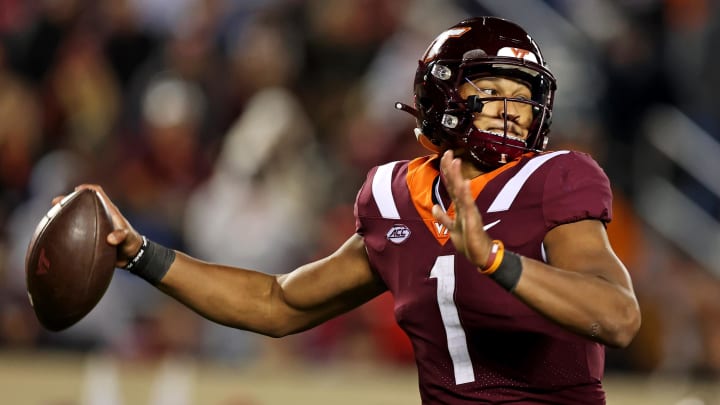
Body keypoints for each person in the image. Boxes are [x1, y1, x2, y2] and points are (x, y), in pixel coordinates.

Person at [66, 16, 641, 404]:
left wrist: (495, 260)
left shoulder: (556, 179)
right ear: (444, 98)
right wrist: (138, 252)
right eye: (492, 92)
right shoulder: (395, 197)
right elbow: (277, 304)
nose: (512, 111)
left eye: (523, 96)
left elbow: (617, 317)